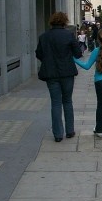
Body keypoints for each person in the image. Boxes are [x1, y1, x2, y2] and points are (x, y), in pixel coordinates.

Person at [35, 12, 82, 142]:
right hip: (67, 73)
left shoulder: (44, 37)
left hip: (51, 74)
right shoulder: (69, 35)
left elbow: (39, 54)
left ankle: (57, 134)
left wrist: (48, 60)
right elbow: (78, 54)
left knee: (55, 103)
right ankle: (70, 130)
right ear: (64, 22)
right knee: (67, 101)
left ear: (52, 22)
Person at [74, 27, 102, 142]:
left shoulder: (96, 51)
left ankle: (99, 130)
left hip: (99, 81)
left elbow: (86, 66)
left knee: (100, 105)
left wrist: (74, 59)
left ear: (98, 39)